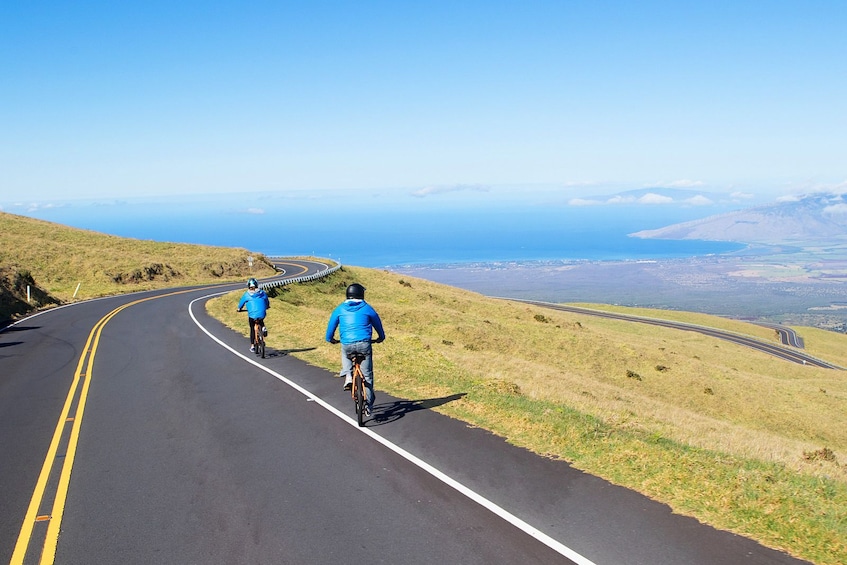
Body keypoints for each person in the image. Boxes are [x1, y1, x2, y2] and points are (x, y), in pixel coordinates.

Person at [325, 283, 385, 417]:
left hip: (347, 344)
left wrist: (330, 339)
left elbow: (331, 326)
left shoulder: (340, 309)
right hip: (364, 344)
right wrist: (381, 337)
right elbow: (378, 324)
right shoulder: (367, 308)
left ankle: (348, 376)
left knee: (345, 352)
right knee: (367, 376)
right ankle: (368, 405)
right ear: (361, 294)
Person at [237, 277, 270, 352]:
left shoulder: (246, 295)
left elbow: (241, 304)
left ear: (249, 286)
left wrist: (239, 309)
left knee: (252, 328)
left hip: (252, 315)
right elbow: (267, 301)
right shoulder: (262, 293)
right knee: (261, 319)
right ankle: (263, 327)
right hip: (262, 313)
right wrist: (267, 306)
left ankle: (252, 346)